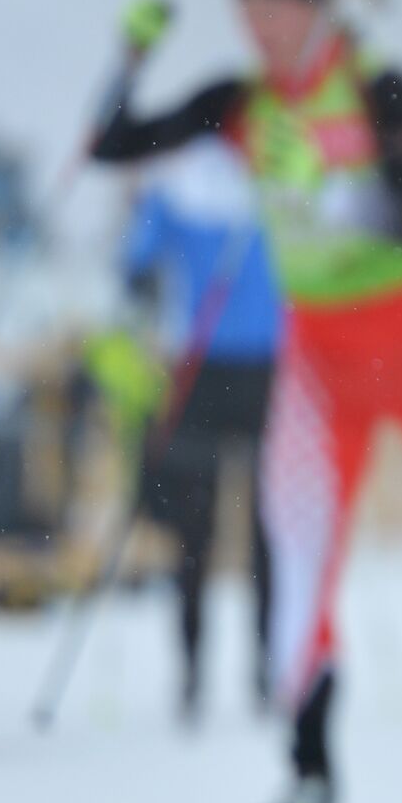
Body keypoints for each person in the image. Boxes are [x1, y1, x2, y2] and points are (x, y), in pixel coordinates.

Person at [89, 0, 402, 803]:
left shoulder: (377, 85)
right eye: (248, 5)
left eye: (279, 2)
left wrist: (333, 191)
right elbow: (110, 143)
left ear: (316, 1)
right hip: (320, 366)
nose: (262, 22)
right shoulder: (241, 103)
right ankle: (310, 779)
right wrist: (129, 53)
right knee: (297, 574)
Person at [121, 135, 280, 722]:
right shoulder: (275, 177)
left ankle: (202, 674)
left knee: (200, 533)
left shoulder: (175, 184)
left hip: (206, 372)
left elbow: (133, 269)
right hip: (255, 372)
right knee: (264, 531)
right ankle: (259, 669)